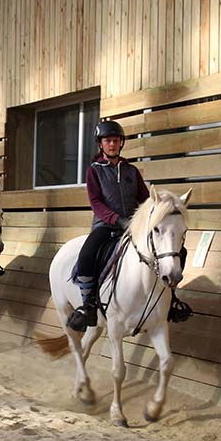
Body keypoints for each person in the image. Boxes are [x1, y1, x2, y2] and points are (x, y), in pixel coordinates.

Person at [67, 120, 150, 332]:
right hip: (105, 226)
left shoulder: (132, 171)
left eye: (115, 140)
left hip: (132, 226)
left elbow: (145, 198)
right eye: (108, 141)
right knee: (86, 256)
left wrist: (148, 217)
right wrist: (117, 219)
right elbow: (96, 202)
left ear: (121, 143)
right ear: (101, 144)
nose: (112, 144)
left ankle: (169, 300)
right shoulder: (94, 171)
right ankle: (88, 305)